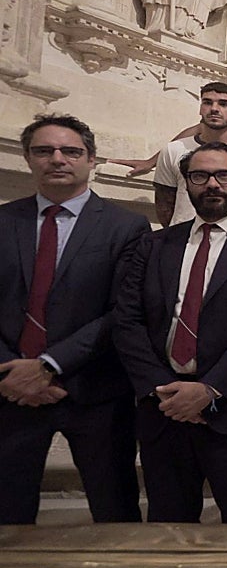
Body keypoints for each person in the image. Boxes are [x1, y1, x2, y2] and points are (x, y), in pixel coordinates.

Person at [114, 142, 227, 523]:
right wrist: (162, 388)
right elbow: (127, 320)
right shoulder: (155, 244)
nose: (212, 184)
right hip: (164, 408)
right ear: (186, 184)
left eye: (224, 175)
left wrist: (209, 390)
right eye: (200, 176)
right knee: (169, 527)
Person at [0, 115, 149, 524]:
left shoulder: (126, 227)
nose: (57, 159)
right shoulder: (3, 222)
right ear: (28, 158)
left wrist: (49, 365)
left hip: (95, 391)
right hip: (10, 391)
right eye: (44, 151)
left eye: (70, 151)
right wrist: (10, 370)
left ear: (91, 159)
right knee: (8, 520)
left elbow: (124, 311)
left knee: (115, 514)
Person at [154, 82, 227, 227]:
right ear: (200, 108)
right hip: (183, 236)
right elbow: (164, 205)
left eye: (223, 104)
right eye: (207, 103)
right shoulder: (173, 150)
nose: (214, 109)